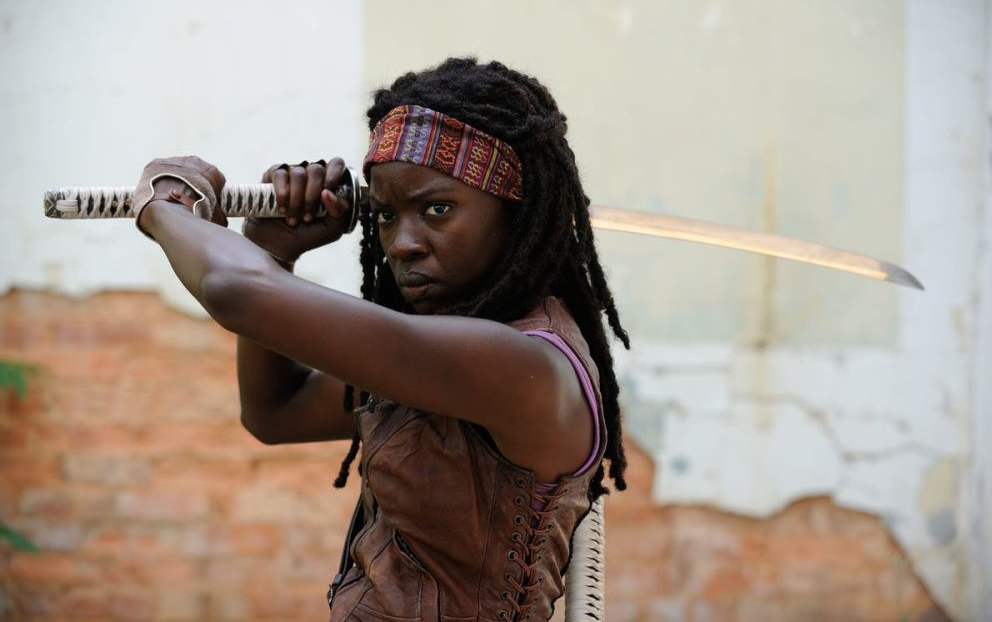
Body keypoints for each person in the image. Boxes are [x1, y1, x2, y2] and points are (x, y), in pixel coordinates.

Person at [133, 57, 630, 621]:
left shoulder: (523, 365)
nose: (402, 244)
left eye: (437, 209)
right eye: (387, 215)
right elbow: (276, 413)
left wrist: (168, 206)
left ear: (517, 213)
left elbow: (235, 290)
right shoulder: (449, 351)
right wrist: (275, 249)